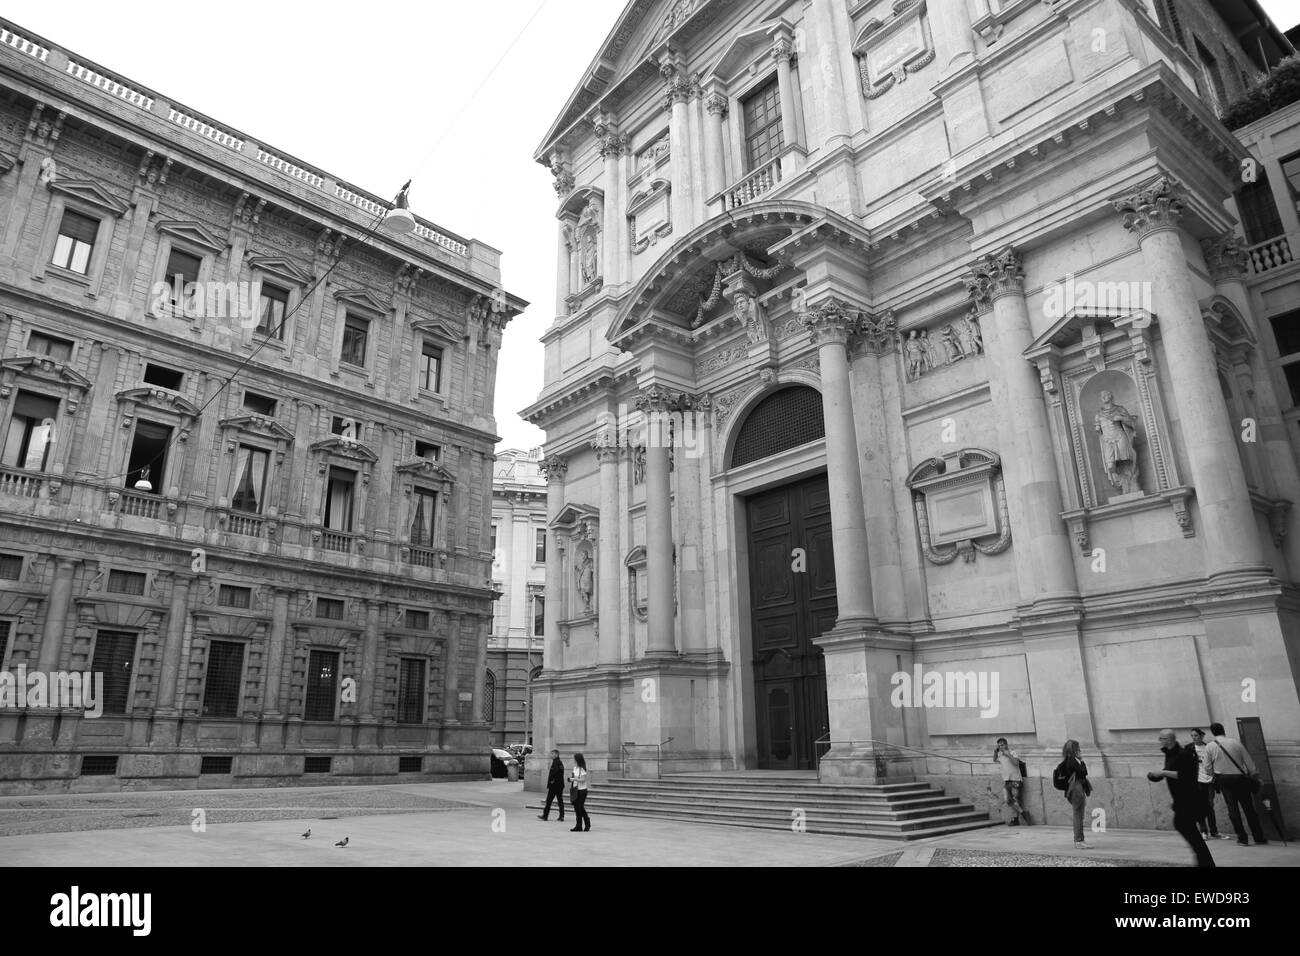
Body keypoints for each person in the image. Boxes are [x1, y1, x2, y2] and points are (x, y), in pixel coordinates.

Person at [1147, 730, 1215, 867]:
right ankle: (1204, 862)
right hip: (1181, 800)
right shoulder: (1170, 754)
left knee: (1184, 826)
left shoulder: (1184, 754)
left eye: (1163, 738)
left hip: (1189, 800)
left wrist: (1163, 772)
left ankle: (1205, 862)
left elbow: (1187, 775)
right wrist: (1157, 776)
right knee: (1189, 830)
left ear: (1170, 739)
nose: (1160, 740)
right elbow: (1172, 771)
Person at [1204, 722, 1267, 846]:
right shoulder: (1235, 742)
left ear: (1213, 732)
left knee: (1233, 810)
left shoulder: (1210, 746)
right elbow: (1249, 763)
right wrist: (1255, 775)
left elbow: (1207, 767)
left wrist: (1214, 775)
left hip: (1224, 779)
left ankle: (1242, 838)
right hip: (1239, 779)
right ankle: (1258, 837)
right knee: (1249, 808)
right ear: (1223, 730)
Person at [1189, 728, 1228, 840]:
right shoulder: (1189, 748)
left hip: (1209, 781)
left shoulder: (1209, 747)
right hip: (1197, 781)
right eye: (1192, 736)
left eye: (1196, 735)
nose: (1194, 738)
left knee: (1210, 806)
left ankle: (1214, 831)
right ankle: (1203, 831)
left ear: (1202, 736)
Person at [1058, 740, 1092, 849]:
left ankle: (1080, 839)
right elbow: (1083, 772)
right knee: (1078, 815)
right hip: (1076, 788)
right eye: (1078, 748)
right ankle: (1078, 840)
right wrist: (1081, 761)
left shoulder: (1070, 760)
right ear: (1074, 749)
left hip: (1077, 788)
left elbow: (1082, 772)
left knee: (1079, 815)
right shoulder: (1072, 761)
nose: (1080, 750)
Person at [993, 738, 1030, 826]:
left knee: (1015, 799)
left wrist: (1008, 755)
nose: (1000, 747)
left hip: (1016, 780)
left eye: (1002, 745)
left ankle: (1015, 819)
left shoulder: (1013, 752)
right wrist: (995, 752)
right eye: (999, 745)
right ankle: (1023, 813)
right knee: (1007, 800)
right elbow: (994, 760)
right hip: (1007, 780)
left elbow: (1016, 763)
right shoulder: (1000, 755)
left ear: (1006, 744)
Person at [538, 750, 565, 822]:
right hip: (559, 785)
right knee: (559, 801)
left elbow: (556, 774)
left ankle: (545, 816)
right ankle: (561, 816)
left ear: (556, 755)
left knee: (549, 801)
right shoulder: (558, 762)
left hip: (555, 786)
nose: (551, 755)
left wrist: (552, 782)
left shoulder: (557, 762)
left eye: (552, 754)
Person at [569, 752, 591, 832]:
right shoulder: (575, 768)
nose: (574, 760)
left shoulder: (582, 768)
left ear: (577, 759)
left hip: (582, 791)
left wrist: (574, 779)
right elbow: (573, 777)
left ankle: (587, 823)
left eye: (574, 758)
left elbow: (583, 780)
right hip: (575, 790)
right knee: (576, 808)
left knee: (580, 808)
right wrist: (571, 779)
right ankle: (578, 826)